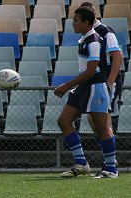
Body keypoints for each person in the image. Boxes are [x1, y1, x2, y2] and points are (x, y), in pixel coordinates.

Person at [54, 6, 118, 178]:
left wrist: (66, 86)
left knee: (101, 127)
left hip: (95, 86)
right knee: (64, 121)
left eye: (76, 21)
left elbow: (91, 71)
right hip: (84, 87)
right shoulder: (84, 39)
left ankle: (111, 169)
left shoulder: (94, 40)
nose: (73, 24)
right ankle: (81, 162)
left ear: (86, 22)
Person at [80, 2, 123, 176]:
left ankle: (110, 164)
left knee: (102, 120)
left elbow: (117, 56)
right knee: (93, 119)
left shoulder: (105, 30)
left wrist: (110, 83)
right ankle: (110, 159)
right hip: (96, 81)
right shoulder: (87, 34)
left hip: (106, 81)